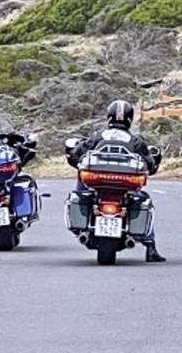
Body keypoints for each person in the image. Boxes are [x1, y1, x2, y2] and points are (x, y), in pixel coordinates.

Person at [69, 99, 166, 262]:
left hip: (97, 181)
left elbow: (76, 155)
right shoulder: (136, 140)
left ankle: (81, 225)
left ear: (109, 117)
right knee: (142, 199)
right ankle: (150, 246)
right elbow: (149, 163)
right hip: (126, 182)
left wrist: (74, 157)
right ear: (129, 118)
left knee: (80, 187)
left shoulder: (98, 135)